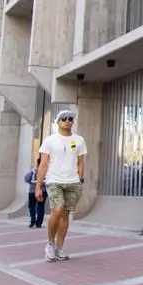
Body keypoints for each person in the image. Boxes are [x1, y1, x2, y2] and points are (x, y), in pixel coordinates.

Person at [36, 109, 86, 262]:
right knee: (57, 210)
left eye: (70, 118)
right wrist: (38, 186)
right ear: (57, 121)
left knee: (65, 215)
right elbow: (43, 164)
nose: (67, 121)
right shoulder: (50, 140)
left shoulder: (79, 140)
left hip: (73, 182)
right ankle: (50, 244)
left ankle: (60, 246)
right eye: (63, 118)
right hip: (54, 181)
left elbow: (80, 162)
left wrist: (80, 178)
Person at [24, 155, 46, 228]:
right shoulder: (47, 172)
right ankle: (39, 223)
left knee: (32, 206)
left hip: (32, 191)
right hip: (43, 191)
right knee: (41, 206)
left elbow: (26, 178)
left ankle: (32, 220)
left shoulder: (33, 171)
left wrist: (31, 182)